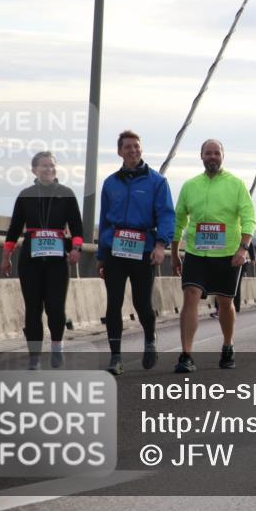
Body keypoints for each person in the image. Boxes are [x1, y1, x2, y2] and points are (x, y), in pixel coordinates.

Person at [171, 139, 255, 373]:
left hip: (228, 254)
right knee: (190, 295)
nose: (212, 157)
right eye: (208, 153)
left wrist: (243, 248)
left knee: (225, 302)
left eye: (216, 153)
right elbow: (179, 220)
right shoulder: (190, 186)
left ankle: (228, 345)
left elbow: (248, 217)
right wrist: (175, 252)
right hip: (196, 252)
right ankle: (186, 355)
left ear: (222, 156)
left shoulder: (236, 185)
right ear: (201, 156)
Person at [96, 130, 175, 375]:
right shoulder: (110, 183)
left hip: (144, 249)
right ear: (120, 152)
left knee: (142, 304)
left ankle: (150, 339)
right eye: (128, 147)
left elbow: (166, 214)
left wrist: (161, 245)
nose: (133, 150)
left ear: (141, 150)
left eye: (136, 147)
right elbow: (104, 220)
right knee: (113, 303)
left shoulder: (157, 182)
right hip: (115, 250)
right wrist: (101, 255)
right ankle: (116, 357)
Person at [2, 151, 84, 369]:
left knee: (55, 308)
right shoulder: (25, 195)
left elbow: (77, 227)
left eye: (52, 166)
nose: (49, 169)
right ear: (34, 170)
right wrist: (6, 256)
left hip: (57, 261)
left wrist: (76, 248)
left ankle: (57, 346)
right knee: (33, 309)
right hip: (30, 261)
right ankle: (34, 357)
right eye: (44, 166)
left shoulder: (66, 194)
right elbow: (14, 230)